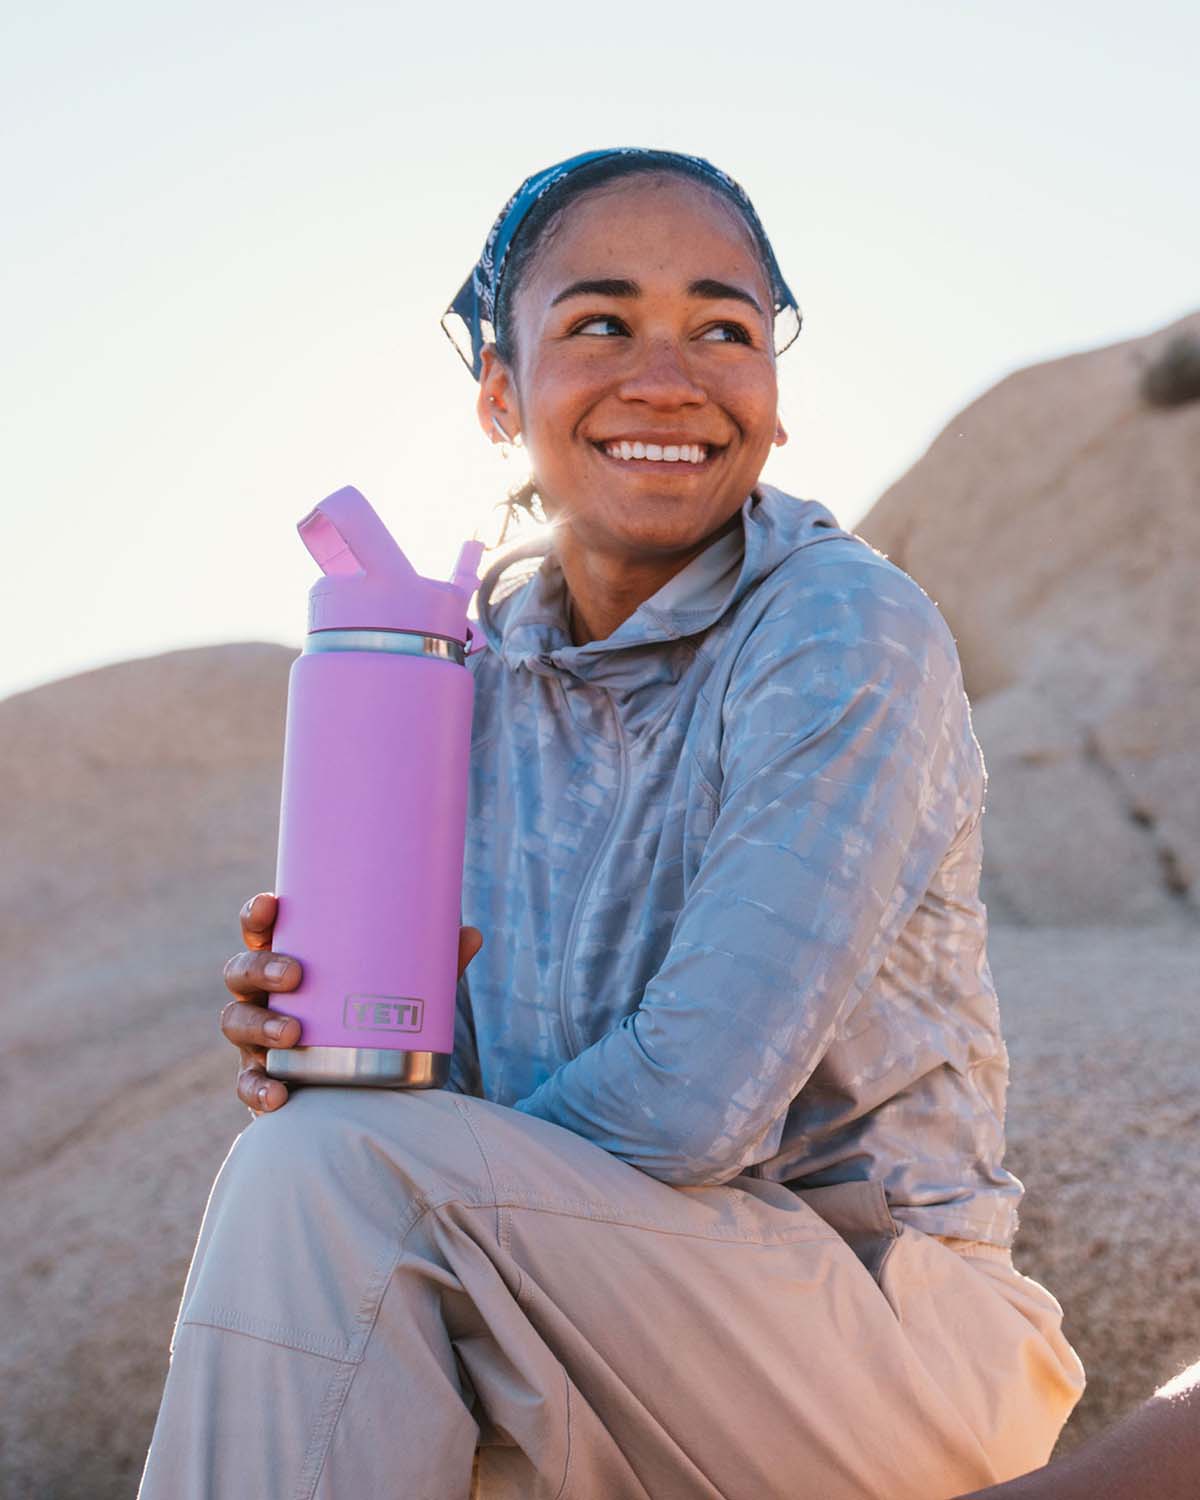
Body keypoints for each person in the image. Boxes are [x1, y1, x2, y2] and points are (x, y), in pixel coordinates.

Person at [138, 148, 1085, 1500]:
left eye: (723, 328)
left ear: (774, 390)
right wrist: (336, 1050)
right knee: (318, 1170)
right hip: (594, 1302)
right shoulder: (463, 680)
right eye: (600, 324)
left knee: (333, 1184)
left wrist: (392, 1154)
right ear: (499, 393)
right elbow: (439, 1125)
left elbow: (691, 1109)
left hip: (885, 1338)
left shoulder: (840, 624)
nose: (669, 375)